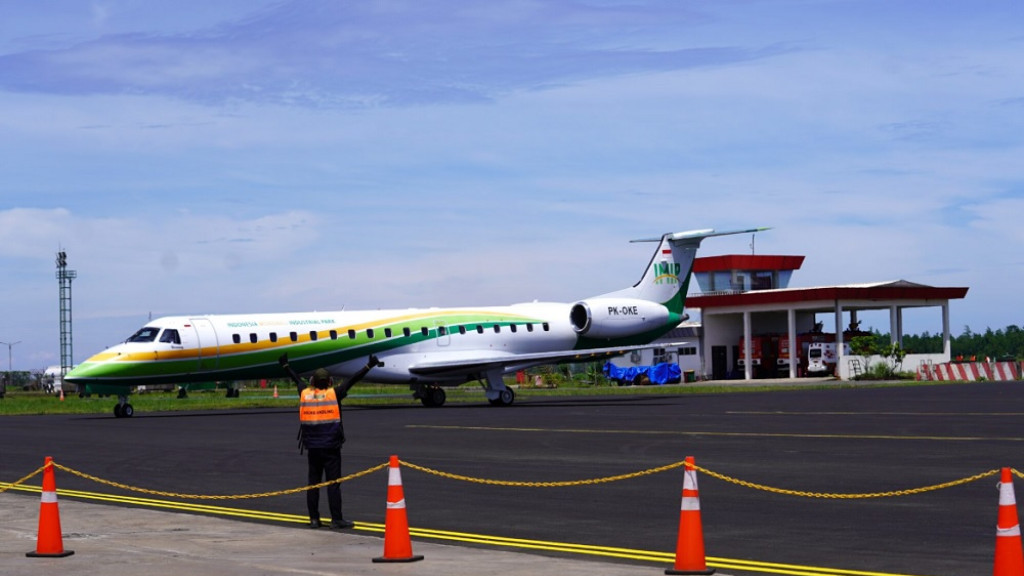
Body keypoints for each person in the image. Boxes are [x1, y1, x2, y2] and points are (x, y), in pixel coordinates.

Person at [296, 357, 378, 530]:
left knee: (313, 484)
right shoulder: (335, 394)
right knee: (333, 484)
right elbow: (352, 380)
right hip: (331, 448)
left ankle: (314, 519)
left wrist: (285, 367)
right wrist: (368, 366)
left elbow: (297, 380)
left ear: (313, 382)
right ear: (330, 381)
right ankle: (336, 519)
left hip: (312, 448)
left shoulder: (305, 394)